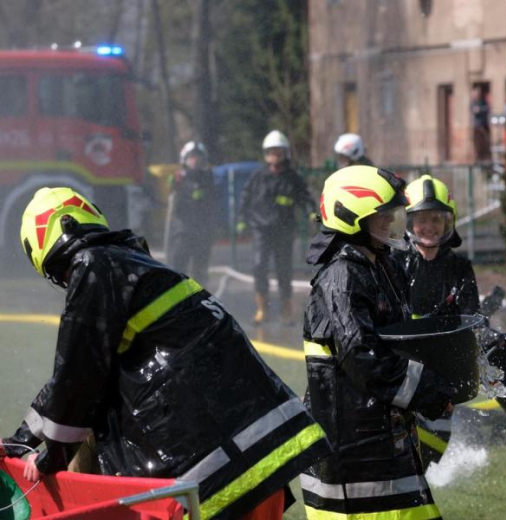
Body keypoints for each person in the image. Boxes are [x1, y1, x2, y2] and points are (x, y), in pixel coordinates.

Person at [0, 187, 331, 520]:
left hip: (209, 468)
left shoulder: (93, 264)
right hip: (257, 452)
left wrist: (51, 454)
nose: (67, 281)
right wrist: (22, 439)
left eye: (60, 273)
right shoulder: (136, 265)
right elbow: (86, 371)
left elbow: (79, 373)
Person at [301, 165, 456, 519]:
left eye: (391, 214)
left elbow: (399, 336)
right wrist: (427, 391)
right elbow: (363, 357)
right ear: (351, 219)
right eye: (382, 216)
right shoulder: (341, 276)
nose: (390, 222)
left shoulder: (380, 264)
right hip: (355, 466)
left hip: (384, 443)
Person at [392, 174, 480, 469]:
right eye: (421, 219)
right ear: (409, 223)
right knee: (396, 446)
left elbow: (472, 318)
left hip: (442, 372)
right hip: (401, 368)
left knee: (429, 452)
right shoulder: (394, 263)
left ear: (448, 223)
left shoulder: (460, 268)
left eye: (436, 219)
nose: (428, 227)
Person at [237, 130, 316, 325]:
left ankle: (286, 310)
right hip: (260, 229)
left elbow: (305, 197)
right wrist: (241, 219)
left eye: (278, 151)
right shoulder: (258, 176)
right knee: (259, 266)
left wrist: (311, 213)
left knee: (284, 270)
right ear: (266, 153)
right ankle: (261, 309)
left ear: (285, 153)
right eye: (271, 151)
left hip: (284, 229)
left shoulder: (292, 177)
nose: (275, 155)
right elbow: (245, 198)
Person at [165, 141, 220, 285]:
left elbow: (213, 202)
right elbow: (175, 205)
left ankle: (198, 301)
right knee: (177, 265)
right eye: (191, 157)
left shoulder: (208, 178)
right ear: (185, 159)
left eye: (198, 157)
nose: (195, 160)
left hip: (202, 231)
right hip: (182, 231)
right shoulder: (179, 178)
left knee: (200, 270)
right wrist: (174, 186)